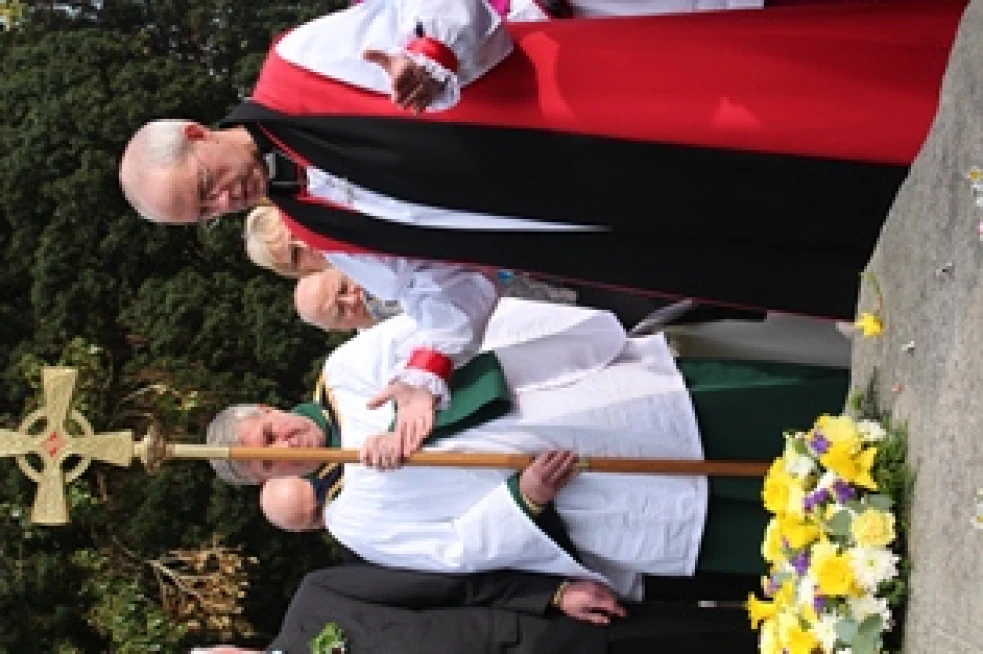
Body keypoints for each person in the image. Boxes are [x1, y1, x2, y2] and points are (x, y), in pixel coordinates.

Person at [207, 298, 848, 599]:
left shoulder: (349, 368)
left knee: (777, 413)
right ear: (269, 478)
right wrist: (525, 497)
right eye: (269, 460)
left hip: (597, 404)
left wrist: (423, 396)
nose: (284, 445)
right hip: (581, 494)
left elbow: (453, 327)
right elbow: (452, 549)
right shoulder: (353, 517)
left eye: (268, 433)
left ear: (268, 409)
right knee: (770, 528)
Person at [192, 563, 759, 653]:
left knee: (725, 636)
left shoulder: (317, 600)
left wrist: (554, 594)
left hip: (549, 640)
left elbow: (447, 582)